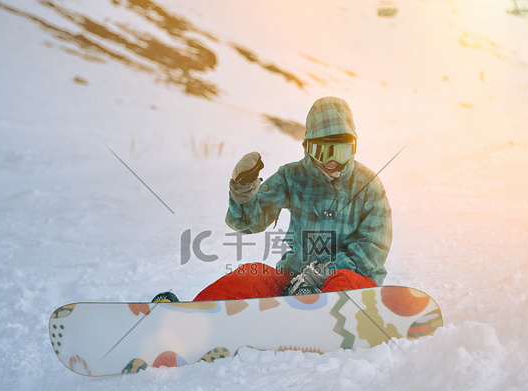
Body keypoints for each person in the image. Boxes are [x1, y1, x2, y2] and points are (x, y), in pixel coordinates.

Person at [155, 96, 392, 303]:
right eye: (323, 151)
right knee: (251, 273)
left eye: (340, 151)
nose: (332, 161)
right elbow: (249, 222)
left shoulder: (368, 184)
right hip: (295, 280)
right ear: (308, 147)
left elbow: (373, 246)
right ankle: (193, 313)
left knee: (342, 282)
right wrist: (243, 194)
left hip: (349, 275)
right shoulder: (292, 176)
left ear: (353, 148)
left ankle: (326, 317)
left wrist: (322, 272)